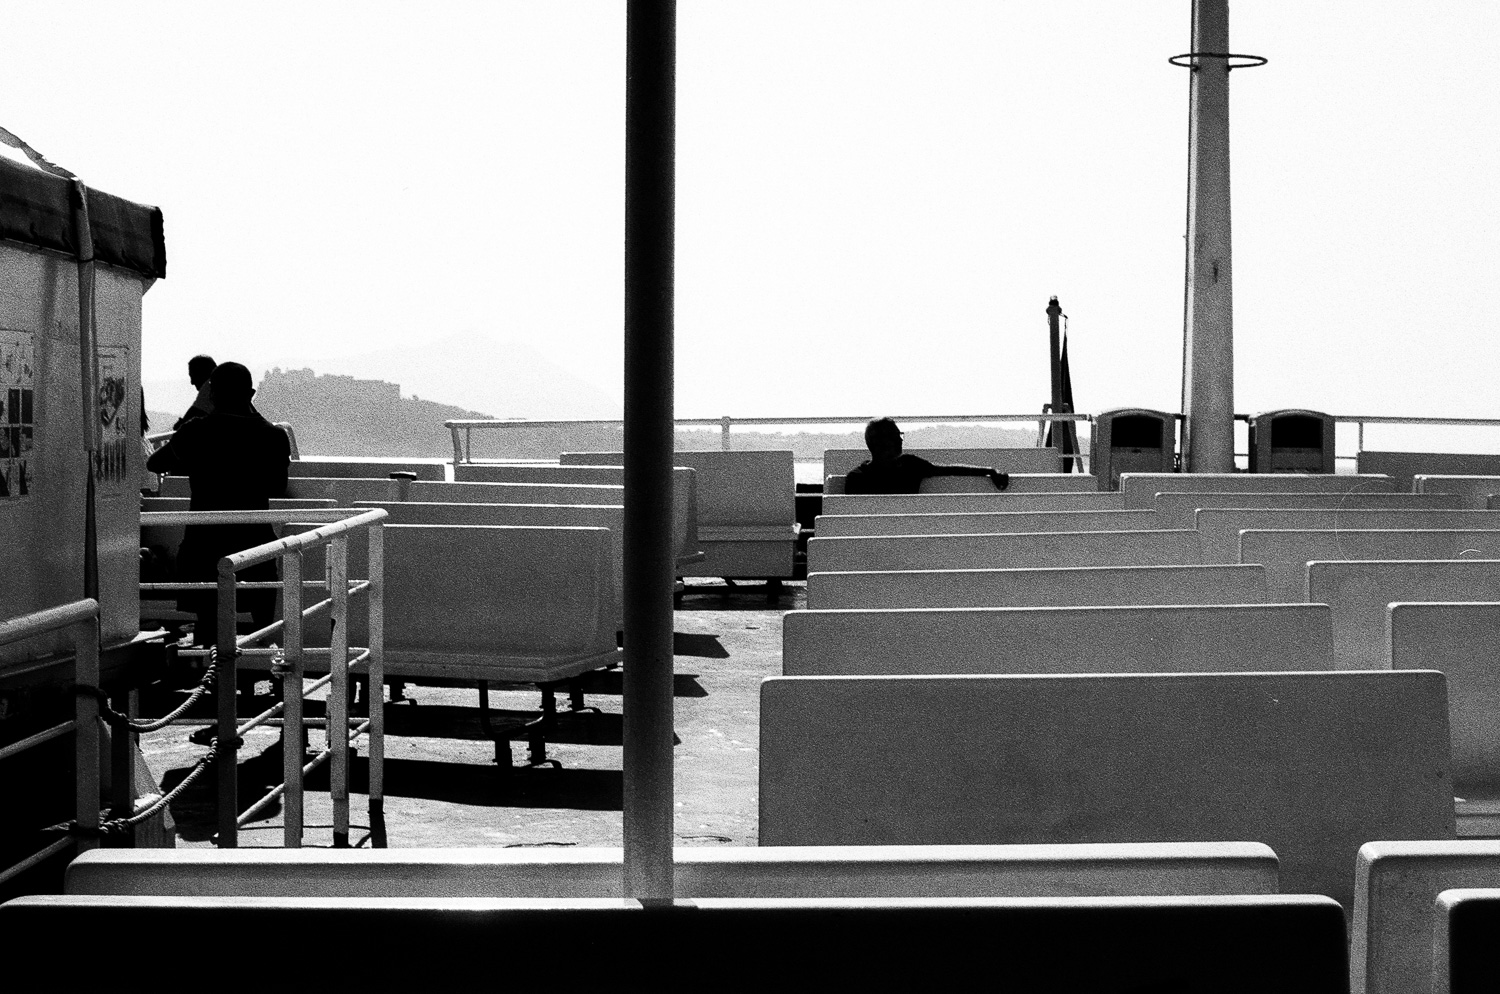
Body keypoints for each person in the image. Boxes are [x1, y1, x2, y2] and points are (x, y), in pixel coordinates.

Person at [148, 362, 290, 649]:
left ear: (211, 394)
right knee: (261, 622)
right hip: (253, 541)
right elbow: (277, 486)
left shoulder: (196, 432)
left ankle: (211, 670)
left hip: (204, 543)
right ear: (251, 393)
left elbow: (156, 463)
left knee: (208, 625)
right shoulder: (273, 436)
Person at [844, 417, 1011, 495]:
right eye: (894, 436)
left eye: (900, 435)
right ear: (878, 443)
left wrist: (989, 471)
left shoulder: (910, 465)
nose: (900, 440)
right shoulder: (858, 479)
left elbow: (949, 470)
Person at [173, 354, 216, 430]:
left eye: (194, 376)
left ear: (204, 373)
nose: (192, 382)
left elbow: (182, 425)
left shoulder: (209, 387)